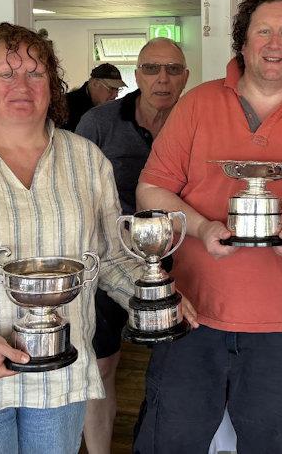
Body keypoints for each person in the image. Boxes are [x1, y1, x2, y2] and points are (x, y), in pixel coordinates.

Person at [0, 23, 196, 454]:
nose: (21, 86)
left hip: (59, 383)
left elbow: (109, 256)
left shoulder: (85, 160)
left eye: (35, 73)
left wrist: (156, 297)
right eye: (6, 74)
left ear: (53, 85)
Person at [133, 0, 282, 454]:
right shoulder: (196, 105)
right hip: (191, 314)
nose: (274, 43)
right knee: (166, 443)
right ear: (243, 43)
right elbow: (151, 189)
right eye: (263, 31)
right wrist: (200, 226)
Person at [75, 37, 190, 454]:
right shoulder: (99, 123)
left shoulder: (197, 121)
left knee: (179, 365)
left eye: (173, 70)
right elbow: (78, 195)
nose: (163, 79)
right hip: (110, 262)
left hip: (181, 261)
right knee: (102, 365)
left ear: (185, 77)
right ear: (136, 75)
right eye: (152, 69)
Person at [62, 62, 127, 130]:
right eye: (111, 89)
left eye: (117, 89)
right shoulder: (66, 105)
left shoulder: (112, 110)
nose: (116, 95)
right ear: (95, 83)